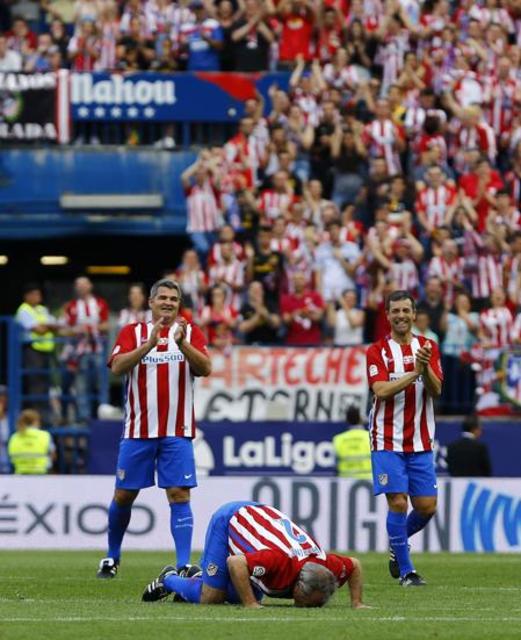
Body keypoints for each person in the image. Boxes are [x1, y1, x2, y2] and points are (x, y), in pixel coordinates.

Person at [96, 278, 212, 579]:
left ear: (179, 304)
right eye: (163, 298)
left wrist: (182, 343)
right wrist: (148, 346)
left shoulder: (190, 332)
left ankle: (184, 564)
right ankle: (112, 556)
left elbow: (205, 369)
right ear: (151, 302)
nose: (168, 303)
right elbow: (118, 367)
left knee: (179, 494)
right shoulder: (132, 332)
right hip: (138, 430)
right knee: (124, 495)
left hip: (177, 429)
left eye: (174, 299)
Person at [141, 500, 368, 609]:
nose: (311, 608)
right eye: (310, 603)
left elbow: (355, 565)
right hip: (230, 518)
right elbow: (236, 562)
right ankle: (169, 578)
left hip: (261, 517)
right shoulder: (277, 562)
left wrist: (356, 603)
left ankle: (194, 576)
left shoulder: (328, 566)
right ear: (298, 586)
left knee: (244, 592)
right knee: (212, 598)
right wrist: (251, 604)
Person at [366, 290, 443, 587]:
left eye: (405, 311)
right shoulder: (377, 351)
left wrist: (425, 371)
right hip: (386, 438)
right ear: (387, 315)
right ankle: (408, 572)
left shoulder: (428, 347)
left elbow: (437, 391)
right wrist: (415, 372)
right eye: (395, 311)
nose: (400, 315)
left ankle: (397, 545)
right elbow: (381, 391)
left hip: (421, 440)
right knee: (398, 502)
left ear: (414, 314)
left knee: (426, 507)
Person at [61, 277, 110, 425]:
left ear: (90, 286)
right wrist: (76, 330)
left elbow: (106, 326)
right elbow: (64, 330)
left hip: (98, 350)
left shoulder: (100, 303)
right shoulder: (71, 306)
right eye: (78, 285)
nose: (81, 287)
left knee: (100, 382)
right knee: (81, 384)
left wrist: (89, 329)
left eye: (84, 284)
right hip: (79, 352)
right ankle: (85, 418)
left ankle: (102, 414)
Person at [15, 284, 57, 422]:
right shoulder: (23, 310)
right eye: (35, 294)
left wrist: (48, 326)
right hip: (32, 351)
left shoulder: (41, 309)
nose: (38, 297)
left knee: (45, 386)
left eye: (39, 294)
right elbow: (39, 330)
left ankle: (44, 417)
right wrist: (48, 327)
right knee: (36, 386)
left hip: (45, 352)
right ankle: (37, 418)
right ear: (27, 296)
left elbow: (56, 325)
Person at [7, 409, 55, 474]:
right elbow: (53, 455)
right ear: (35, 421)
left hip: (20, 474)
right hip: (41, 474)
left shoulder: (14, 437)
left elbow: (11, 456)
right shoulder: (45, 435)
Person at [332, 406, 371, 479]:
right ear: (361, 419)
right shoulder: (370, 437)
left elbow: (334, 465)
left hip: (344, 482)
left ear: (347, 420)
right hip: (367, 481)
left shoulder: (338, 439)